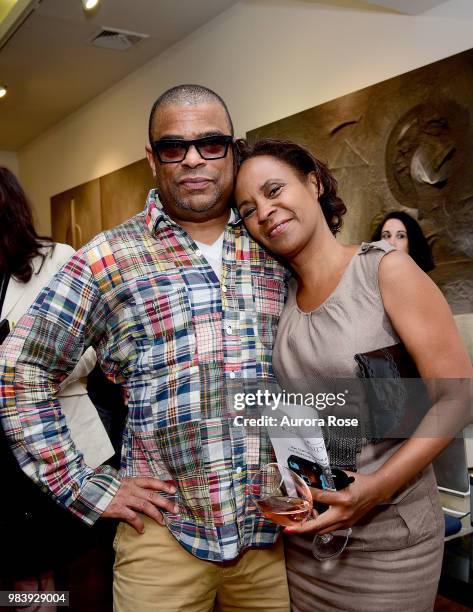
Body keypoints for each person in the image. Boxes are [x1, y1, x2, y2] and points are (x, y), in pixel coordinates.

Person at [0, 87, 290, 612]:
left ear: (234, 149)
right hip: (161, 534)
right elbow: (20, 370)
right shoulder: (108, 257)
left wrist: (332, 473)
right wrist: (85, 485)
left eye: (211, 143)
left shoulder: (276, 242)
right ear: (152, 160)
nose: (194, 158)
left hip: (271, 534)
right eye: (174, 147)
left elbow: (320, 368)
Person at [234, 138, 472, 612]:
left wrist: (376, 489)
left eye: (274, 189)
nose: (265, 211)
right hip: (307, 543)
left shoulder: (385, 270)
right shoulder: (274, 296)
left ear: (314, 182)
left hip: (390, 540)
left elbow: (457, 398)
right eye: (247, 208)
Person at [0, 167, 114, 610]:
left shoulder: (57, 259)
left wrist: (16, 359)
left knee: (78, 570)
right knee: (21, 585)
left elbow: (91, 351)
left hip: (59, 440)